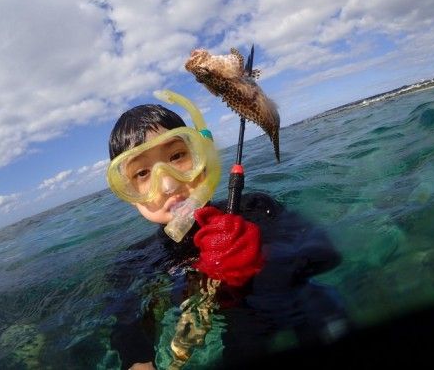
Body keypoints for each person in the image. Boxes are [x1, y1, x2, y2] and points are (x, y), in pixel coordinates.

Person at [106, 95, 349, 370]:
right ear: (128, 194)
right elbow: (127, 321)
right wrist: (138, 360)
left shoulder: (255, 208)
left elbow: (323, 253)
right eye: (142, 174)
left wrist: (261, 255)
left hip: (293, 306)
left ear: (201, 155)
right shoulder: (135, 262)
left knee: (320, 305)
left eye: (176, 156)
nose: (168, 184)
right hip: (240, 333)